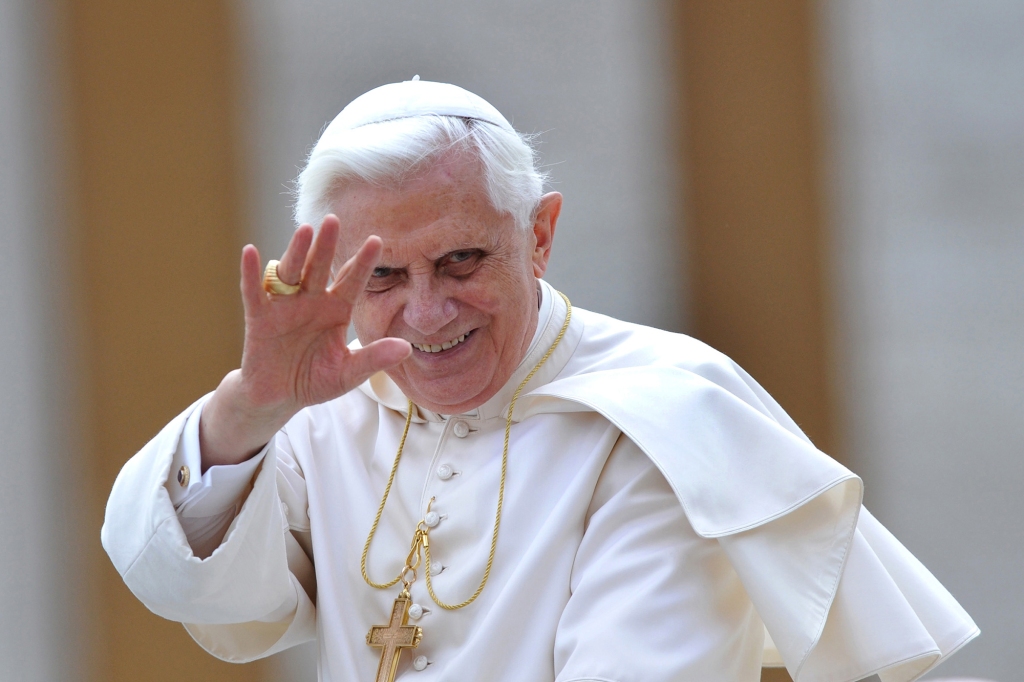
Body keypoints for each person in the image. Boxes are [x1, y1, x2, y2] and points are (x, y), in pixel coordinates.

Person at [102, 80, 977, 682]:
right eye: (382, 279)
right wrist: (251, 409)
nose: (427, 313)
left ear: (541, 235)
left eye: (460, 260)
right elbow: (183, 586)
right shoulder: (330, 408)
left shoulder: (659, 420)